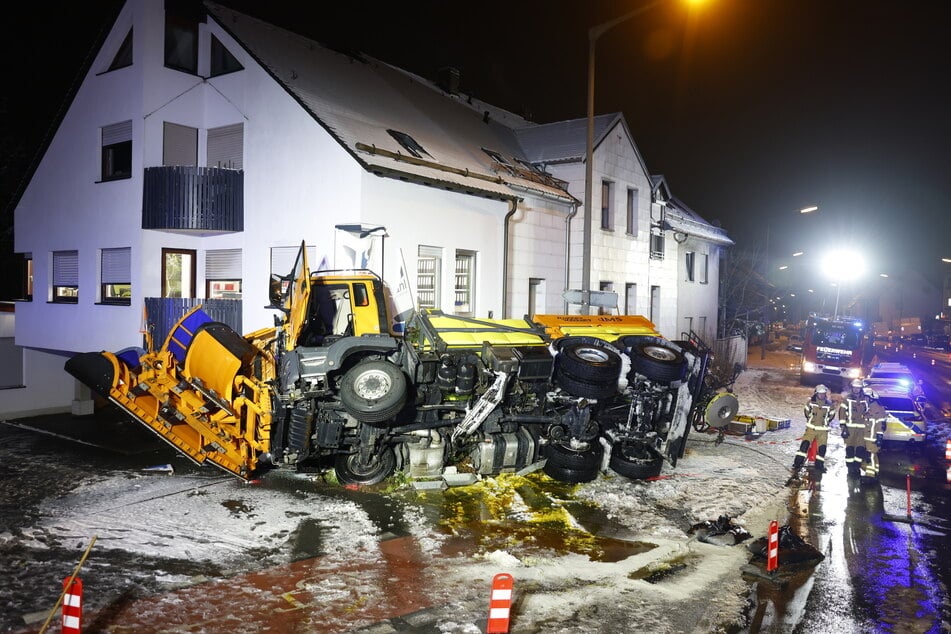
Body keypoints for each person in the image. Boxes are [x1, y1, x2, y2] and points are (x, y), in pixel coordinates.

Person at [787, 384, 836, 487]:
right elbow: (806, 412)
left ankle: (819, 465)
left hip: (823, 430)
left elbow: (832, 415)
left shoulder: (829, 404)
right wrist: (811, 420)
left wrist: (825, 422)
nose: (822, 395)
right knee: (804, 446)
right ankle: (797, 463)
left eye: (823, 394)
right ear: (816, 393)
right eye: (820, 394)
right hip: (811, 428)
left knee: (822, 449)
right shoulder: (810, 403)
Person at [839, 378, 870, 477]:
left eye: (858, 388)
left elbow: (869, 412)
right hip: (850, 428)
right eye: (855, 388)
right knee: (850, 448)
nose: (856, 390)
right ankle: (850, 467)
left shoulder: (865, 399)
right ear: (852, 388)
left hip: (862, 429)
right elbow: (842, 413)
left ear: (861, 389)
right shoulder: (847, 399)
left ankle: (857, 467)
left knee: (860, 449)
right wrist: (843, 426)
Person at [859, 387, 888, 481]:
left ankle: (870, 476)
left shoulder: (877, 410)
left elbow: (881, 425)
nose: (864, 399)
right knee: (873, 455)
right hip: (868, 438)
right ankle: (875, 472)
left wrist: (879, 437)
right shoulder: (869, 409)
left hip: (872, 438)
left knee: (870, 455)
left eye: (866, 397)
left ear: (871, 398)